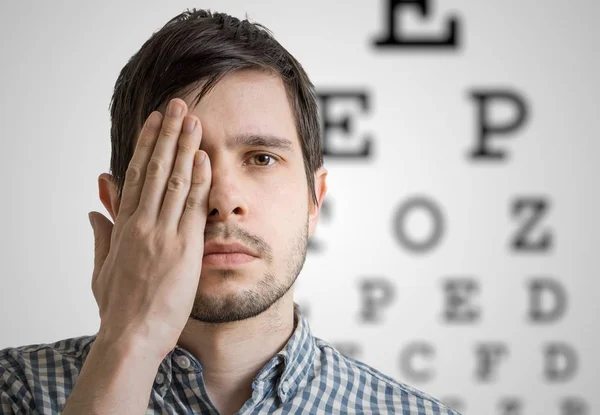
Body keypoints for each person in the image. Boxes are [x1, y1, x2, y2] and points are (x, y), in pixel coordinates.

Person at [0, 8, 461, 415]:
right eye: (184, 161)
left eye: (262, 158)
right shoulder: (15, 390)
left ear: (313, 199)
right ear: (120, 206)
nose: (224, 199)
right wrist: (130, 340)